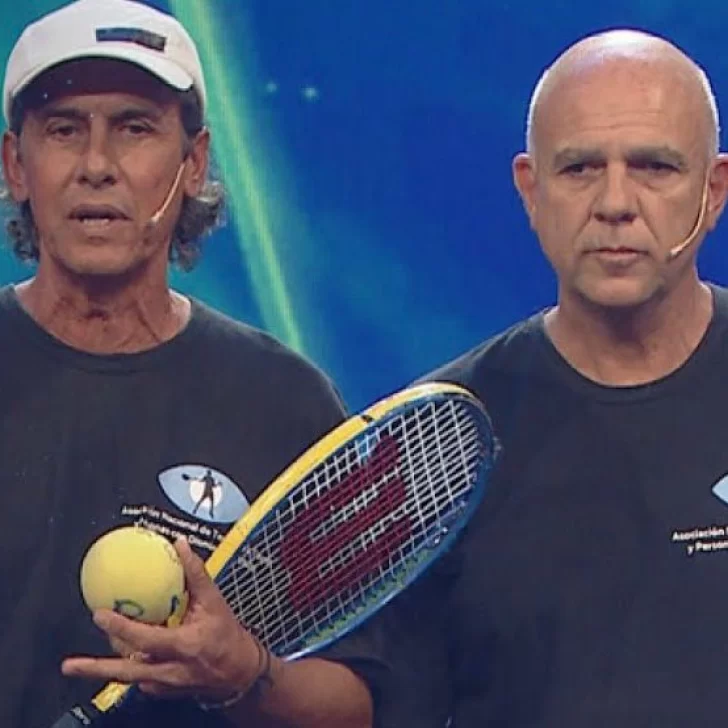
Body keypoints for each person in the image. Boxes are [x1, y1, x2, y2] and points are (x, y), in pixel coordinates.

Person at [285, 28, 728, 727]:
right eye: (580, 168)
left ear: (714, 190)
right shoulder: (436, 452)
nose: (615, 202)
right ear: (531, 190)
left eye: (653, 167)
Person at [0, 1, 374, 726]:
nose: (97, 166)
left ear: (192, 162)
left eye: (135, 128)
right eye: (64, 129)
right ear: (16, 164)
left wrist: (244, 674)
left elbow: (362, 705)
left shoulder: (283, 405)